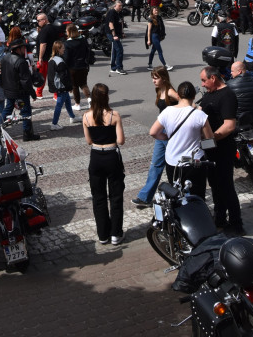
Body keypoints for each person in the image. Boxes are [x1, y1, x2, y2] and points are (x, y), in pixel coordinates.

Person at [199, 66, 244, 234]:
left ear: (213, 78)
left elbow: (229, 125)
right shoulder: (210, 94)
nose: (202, 84)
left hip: (223, 147)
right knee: (215, 185)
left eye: (204, 80)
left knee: (226, 185)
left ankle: (236, 223)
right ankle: (220, 219)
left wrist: (211, 137)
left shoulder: (227, 95)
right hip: (210, 147)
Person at [150, 81, 213, 199]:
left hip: (173, 161)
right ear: (194, 96)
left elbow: (153, 132)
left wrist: (167, 137)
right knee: (197, 195)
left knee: (175, 194)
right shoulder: (200, 115)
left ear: (178, 96)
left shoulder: (167, 111)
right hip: (194, 161)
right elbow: (209, 139)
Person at [83, 83, 125, 245]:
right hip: (111, 156)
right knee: (116, 196)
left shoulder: (86, 117)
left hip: (96, 157)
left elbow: (88, 141)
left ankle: (102, 234)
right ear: (107, 96)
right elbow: (121, 140)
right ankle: (116, 233)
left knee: (98, 197)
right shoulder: (114, 115)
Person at [132, 67, 179, 208]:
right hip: (161, 132)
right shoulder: (159, 90)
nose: (153, 80)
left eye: (156, 77)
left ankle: (178, 194)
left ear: (164, 78)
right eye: (152, 77)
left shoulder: (171, 92)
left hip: (169, 132)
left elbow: (185, 104)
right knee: (156, 165)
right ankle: (145, 197)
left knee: (174, 165)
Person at [1, 37, 40, 141]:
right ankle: (27, 134)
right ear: (19, 49)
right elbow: (25, 81)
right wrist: (33, 93)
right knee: (26, 111)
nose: (25, 50)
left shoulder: (5, 58)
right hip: (20, 93)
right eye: (23, 48)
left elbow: (2, 75)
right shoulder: (21, 61)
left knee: (8, 109)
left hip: (9, 91)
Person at [47, 41, 79, 130]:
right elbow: (64, 77)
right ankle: (54, 123)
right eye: (62, 48)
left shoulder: (52, 59)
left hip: (56, 86)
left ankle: (72, 117)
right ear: (58, 49)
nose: (64, 49)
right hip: (62, 87)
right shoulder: (60, 61)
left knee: (68, 101)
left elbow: (50, 75)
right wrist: (69, 87)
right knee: (59, 105)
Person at [63, 24, 91, 111]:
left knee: (74, 86)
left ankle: (77, 104)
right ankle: (90, 99)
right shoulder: (83, 40)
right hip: (83, 65)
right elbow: (88, 51)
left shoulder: (67, 43)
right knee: (83, 84)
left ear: (69, 32)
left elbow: (66, 57)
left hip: (73, 67)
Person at [228, 61, 253, 127]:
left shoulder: (229, 84)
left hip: (236, 119)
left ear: (239, 71)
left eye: (232, 71)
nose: (230, 73)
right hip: (252, 116)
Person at [35, 13, 58, 97]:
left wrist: (40, 57)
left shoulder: (45, 30)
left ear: (44, 20)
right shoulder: (52, 28)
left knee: (42, 76)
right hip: (53, 55)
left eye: (39, 21)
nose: (38, 22)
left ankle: (39, 93)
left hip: (45, 57)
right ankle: (56, 94)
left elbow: (43, 44)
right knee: (53, 76)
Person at [146, 6, 173, 71]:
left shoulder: (159, 18)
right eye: (155, 10)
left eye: (157, 10)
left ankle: (150, 65)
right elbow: (149, 31)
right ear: (152, 11)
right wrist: (149, 40)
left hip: (158, 36)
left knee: (153, 51)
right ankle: (165, 65)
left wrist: (162, 36)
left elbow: (162, 27)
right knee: (160, 51)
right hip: (154, 36)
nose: (156, 11)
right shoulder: (150, 19)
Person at [105, 0, 126, 74]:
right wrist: (114, 35)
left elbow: (121, 23)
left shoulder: (120, 13)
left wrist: (122, 32)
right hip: (112, 34)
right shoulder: (112, 12)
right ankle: (119, 68)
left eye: (121, 6)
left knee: (115, 50)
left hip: (117, 33)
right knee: (119, 50)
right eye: (119, 6)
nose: (121, 7)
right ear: (115, 6)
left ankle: (113, 67)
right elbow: (111, 24)